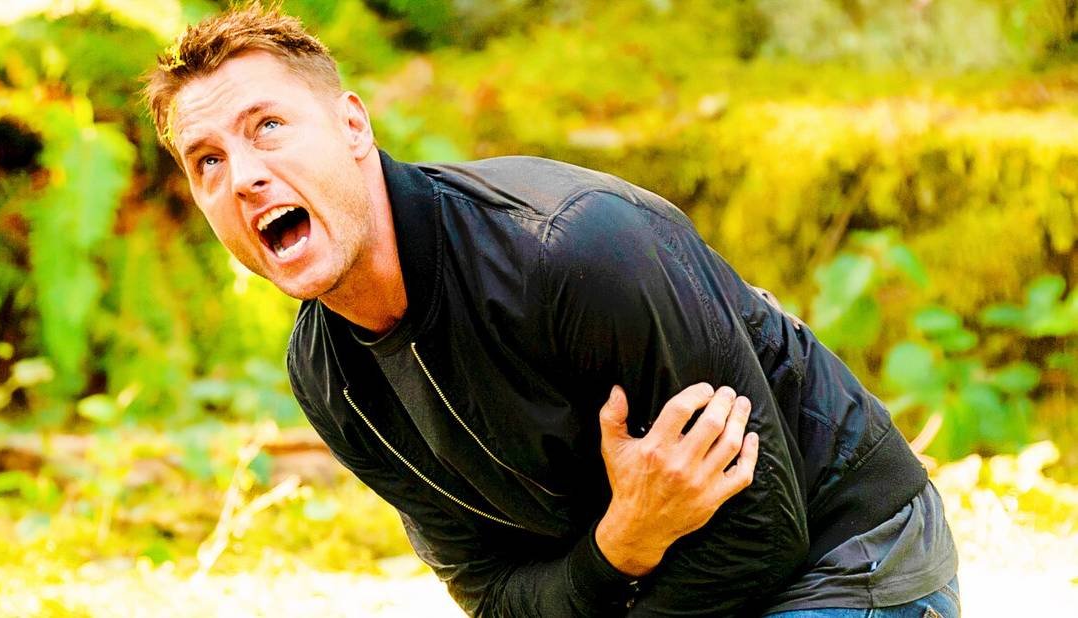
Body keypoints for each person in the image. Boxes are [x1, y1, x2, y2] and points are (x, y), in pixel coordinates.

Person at [144, 4, 959, 616]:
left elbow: (762, 528)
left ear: (353, 125)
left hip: (848, 554)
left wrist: (606, 574)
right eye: (207, 161)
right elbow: (497, 596)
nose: (243, 176)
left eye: (269, 127)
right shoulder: (330, 375)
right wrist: (622, 544)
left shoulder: (570, 249)